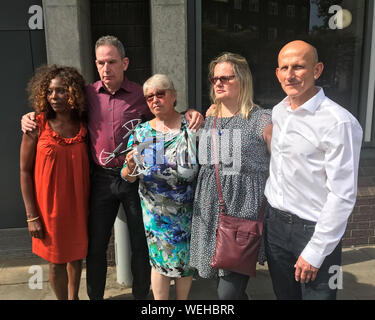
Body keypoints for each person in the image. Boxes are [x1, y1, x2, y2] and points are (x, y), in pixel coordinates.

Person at [21, 35, 204, 300]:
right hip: (100, 180)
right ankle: (95, 296)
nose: (106, 69)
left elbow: (165, 112)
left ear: (125, 63)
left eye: (112, 62)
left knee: (140, 245)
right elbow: (55, 111)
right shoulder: (86, 95)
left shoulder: (142, 96)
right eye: (100, 63)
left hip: (134, 179)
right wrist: (28, 117)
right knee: (96, 246)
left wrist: (190, 112)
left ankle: (142, 297)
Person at [264, 40, 363, 300]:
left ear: (317, 70)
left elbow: (342, 195)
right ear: (277, 73)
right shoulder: (278, 112)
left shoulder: (339, 122)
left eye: (298, 67)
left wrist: (316, 251)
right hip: (275, 226)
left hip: (314, 231)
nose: (290, 74)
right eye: (284, 68)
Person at [189, 52, 272, 300]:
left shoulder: (259, 118)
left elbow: (280, 146)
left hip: (240, 214)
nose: (218, 83)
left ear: (243, 80)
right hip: (208, 211)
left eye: (226, 77)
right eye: (215, 78)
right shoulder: (210, 116)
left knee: (228, 293)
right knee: (224, 288)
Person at [121, 74, 199, 300]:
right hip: (155, 214)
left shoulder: (192, 126)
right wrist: (131, 166)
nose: (155, 99)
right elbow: (128, 177)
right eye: (149, 97)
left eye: (160, 94)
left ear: (173, 96)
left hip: (187, 211)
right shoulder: (141, 133)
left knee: (185, 261)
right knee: (159, 262)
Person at [20, 65, 89, 300]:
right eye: (49, 92)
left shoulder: (84, 126)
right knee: (56, 261)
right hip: (49, 210)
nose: (54, 97)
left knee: (76, 256)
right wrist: (32, 216)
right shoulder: (36, 125)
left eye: (60, 91)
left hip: (78, 206)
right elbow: (24, 171)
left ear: (73, 93)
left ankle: (74, 297)